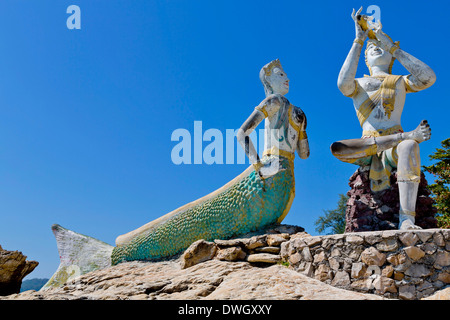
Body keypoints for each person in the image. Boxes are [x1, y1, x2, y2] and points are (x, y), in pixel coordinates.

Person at [110, 59, 309, 264]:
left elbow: (242, 133)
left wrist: (259, 166)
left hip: (274, 177)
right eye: (280, 74)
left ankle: (129, 248)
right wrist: (260, 164)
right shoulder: (283, 105)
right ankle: (128, 247)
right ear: (268, 80)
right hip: (285, 180)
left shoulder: (278, 104)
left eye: (285, 74)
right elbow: (303, 153)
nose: (286, 78)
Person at [331, 7, 436, 230]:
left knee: (409, 146)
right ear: (365, 58)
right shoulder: (358, 83)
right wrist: (359, 41)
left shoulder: (400, 81)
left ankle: (407, 219)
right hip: (366, 146)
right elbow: (342, 84)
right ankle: (407, 136)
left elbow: (428, 77)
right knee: (338, 148)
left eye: (380, 46)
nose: (375, 48)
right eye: (372, 48)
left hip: (393, 147)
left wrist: (393, 48)